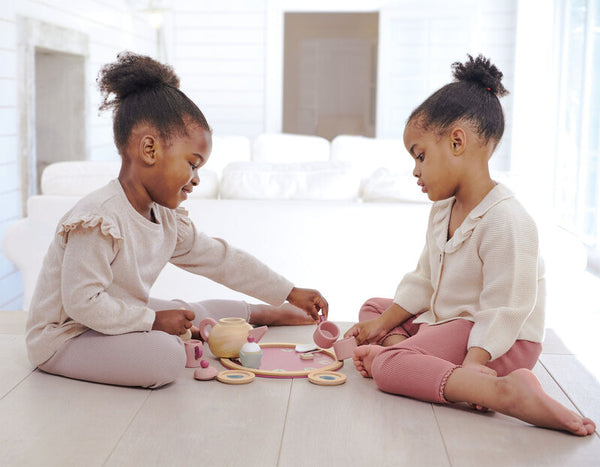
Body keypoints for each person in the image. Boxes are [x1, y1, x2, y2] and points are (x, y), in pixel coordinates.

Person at [25, 51, 328, 388]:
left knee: (189, 313)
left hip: (115, 314)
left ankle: (261, 312)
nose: (196, 179)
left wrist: (289, 291)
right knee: (166, 356)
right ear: (150, 150)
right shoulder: (98, 219)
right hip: (67, 336)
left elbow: (222, 260)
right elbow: (81, 304)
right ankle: (174, 332)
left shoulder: (166, 219)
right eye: (193, 164)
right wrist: (153, 321)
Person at [344, 54, 596, 436]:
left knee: (388, 368)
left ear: (457, 141)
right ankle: (411, 351)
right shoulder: (442, 210)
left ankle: (501, 391)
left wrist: (476, 360)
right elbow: (424, 279)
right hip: (450, 321)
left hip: (496, 338)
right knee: (374, 308)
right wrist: (381, 325)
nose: (415, 171)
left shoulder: (507, 219)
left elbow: (505, 307)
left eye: (420, 156)